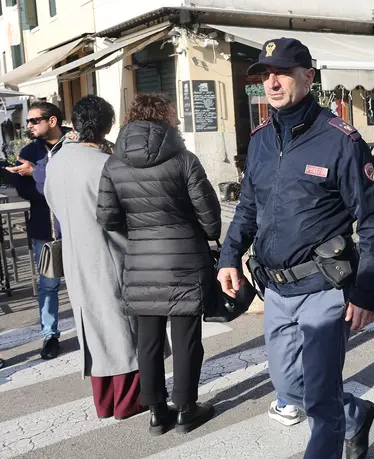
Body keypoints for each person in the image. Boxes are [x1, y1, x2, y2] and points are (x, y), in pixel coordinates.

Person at [217, 37, 374, 459]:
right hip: (275, 289)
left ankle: (336, 429)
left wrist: (367, 291)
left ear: (308, 77)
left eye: (281, 73)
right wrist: (228, 257)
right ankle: (356, 415)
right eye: (264, 75)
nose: (271, 82)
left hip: (323, 288)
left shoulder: (340, 140)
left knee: (320, 398)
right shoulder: (260, 140)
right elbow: (248, 207)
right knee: (289, 387)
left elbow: (372, 223)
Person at [97, 93, 222, 435]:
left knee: (147, 340)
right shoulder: (184, 159)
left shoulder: (113, 163)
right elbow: (211, 221)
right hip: (184, 259)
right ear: (165, 117)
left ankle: (155, 411)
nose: (178, 119)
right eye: (174, 114)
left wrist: (140, 230)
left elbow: (106, 218)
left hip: (140, 260)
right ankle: (186, 409)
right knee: (186, 339)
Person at [44, 95, 143, 420]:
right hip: (111, 253)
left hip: (76, 254)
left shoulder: (56, 162)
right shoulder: (107, 165)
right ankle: (127, 402)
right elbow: (129, 212)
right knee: (122, 329)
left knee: (94, 328)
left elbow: (53, 203)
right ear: (106, 127)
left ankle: (104, 402)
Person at [5, 102, 68, 360]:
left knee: (81, 283)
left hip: (75, 228)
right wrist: (45, 183)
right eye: (28, 121)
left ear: (52, 121)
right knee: (48, 285)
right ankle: (50, 335)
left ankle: (91, 330)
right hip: (44, 228)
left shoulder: (73, 144)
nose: (28, 125)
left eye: (34, 121)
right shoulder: (29, 151)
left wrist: (38, 174)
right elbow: (25, 190)